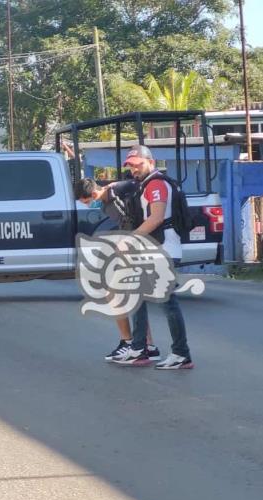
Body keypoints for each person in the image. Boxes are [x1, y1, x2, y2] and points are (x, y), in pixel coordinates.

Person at [104, 144, 193, 370]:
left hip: (164, 250)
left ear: (151, 162)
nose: (134, 170)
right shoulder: (145, 185)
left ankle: (180, 354)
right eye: (131, 166)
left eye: (138, 164)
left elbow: (156, 218)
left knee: (168, 302)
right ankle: (141, 347)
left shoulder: (155, 184)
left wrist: (129, 239)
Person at [74, 176, 161, 362]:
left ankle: (129, 342)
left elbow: (136, 187)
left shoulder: (116, 194)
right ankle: (147, 344)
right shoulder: (106, 203)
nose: (89, 205)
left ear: (95, 192)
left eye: (89, 201)